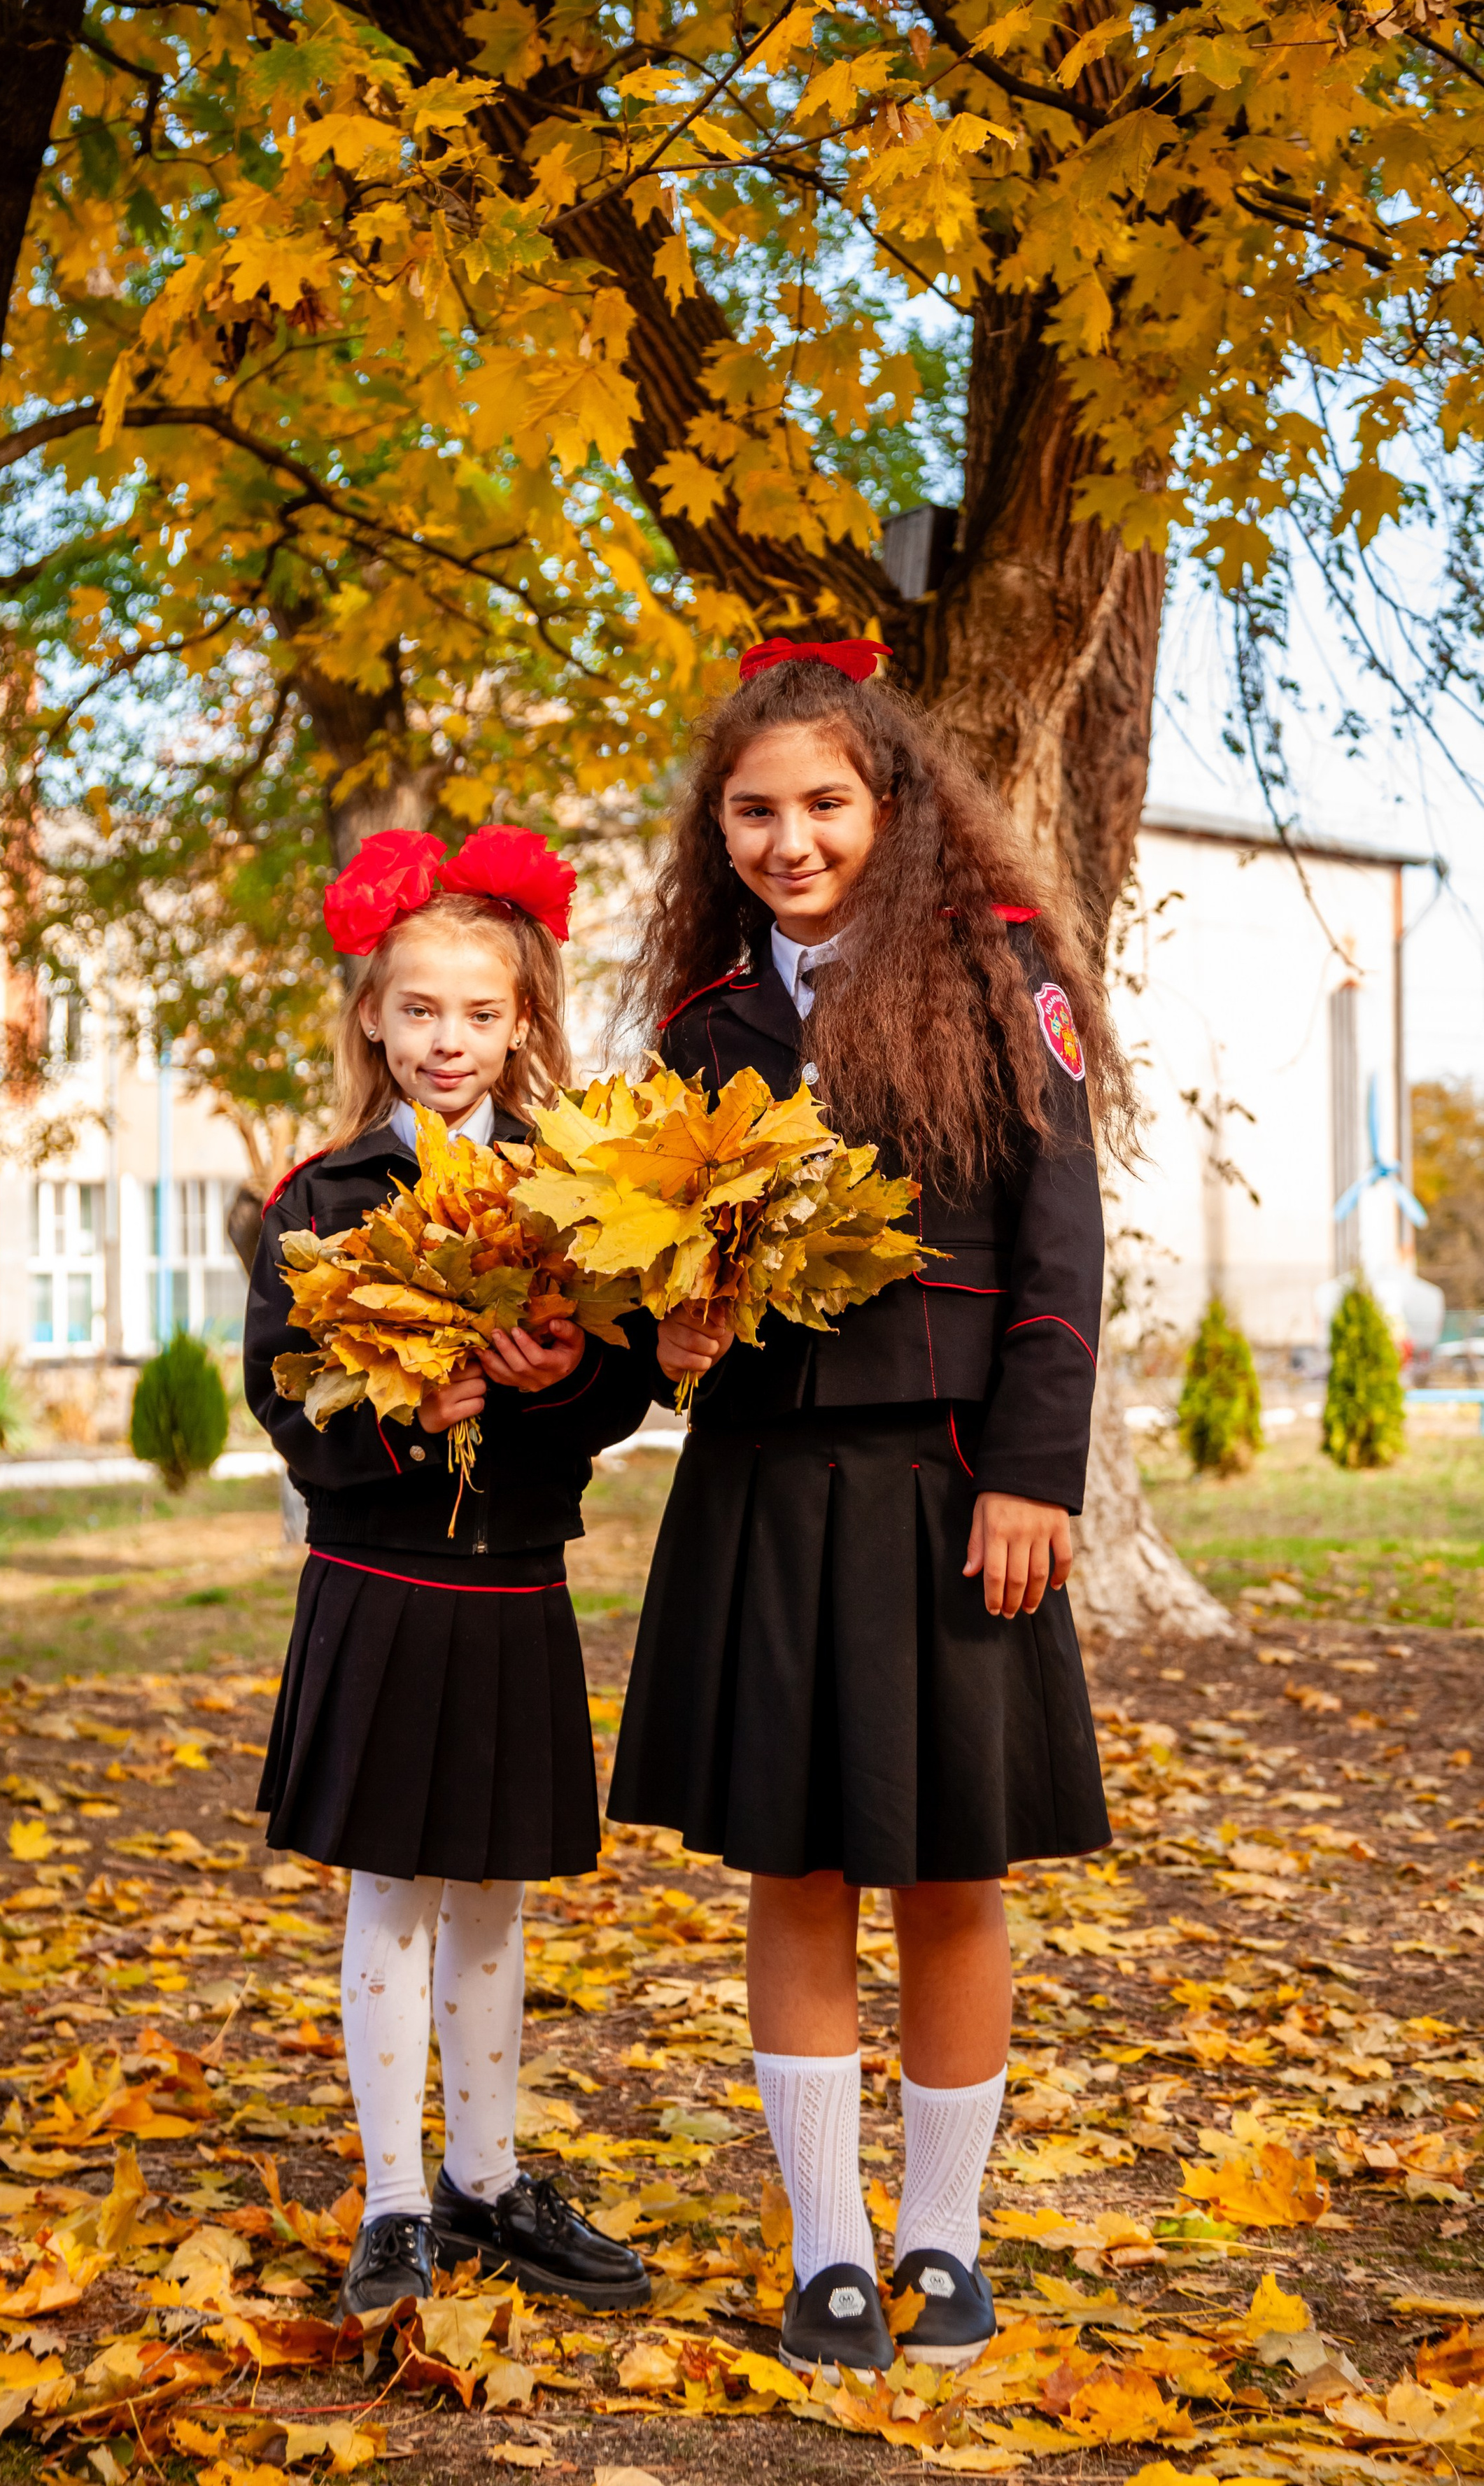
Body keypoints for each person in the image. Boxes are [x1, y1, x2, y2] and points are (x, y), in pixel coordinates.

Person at [607, 642, 1133, 2382]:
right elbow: (656, 1263)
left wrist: (1036, 1472)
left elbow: (1059, 1234)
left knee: (949, 1871)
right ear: (718, 826)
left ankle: (942, 2235)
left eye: (822, 801)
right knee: (800, 1861)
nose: (787, 837)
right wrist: (658, 1332)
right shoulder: (700, 1022)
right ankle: (827, 2243)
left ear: (889, 806)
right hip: (763, 1485)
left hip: (952, 1486)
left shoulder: (998, 970)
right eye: (752, 809)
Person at [244, 821, 654, 2323]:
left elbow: (615, 1390)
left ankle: (488, 2180)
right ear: (371, 1015)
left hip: (514, 1582)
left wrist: (546, 1383)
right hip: (378, 1574)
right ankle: (397, 2202)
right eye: (417, 1010)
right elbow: (281, 1397)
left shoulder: (571, 1188)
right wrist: (406, 1415)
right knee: (391, 1899)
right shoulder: (320, 1196)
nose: (447, 1040)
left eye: (480, 1014)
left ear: (524, 1018)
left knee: (493, 1892)